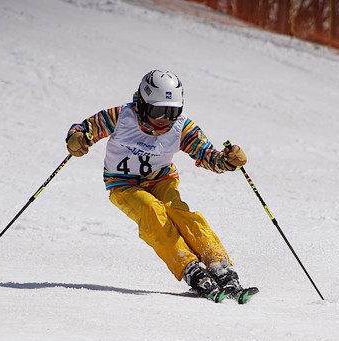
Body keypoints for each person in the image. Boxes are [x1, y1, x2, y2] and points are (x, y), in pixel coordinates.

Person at [66, 69, 255, 302]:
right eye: (158, 110)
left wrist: (227, 161)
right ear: (143, 104)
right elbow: (86, 128)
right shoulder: (121, 116)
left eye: (172, 111)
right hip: (123, 184)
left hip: (161, 179)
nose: (165, 118)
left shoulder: (182, 128)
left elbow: (207, 155)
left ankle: (219, 265)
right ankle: (189, 267)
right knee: (151, 210)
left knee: (181, 214)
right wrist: (77, 139)